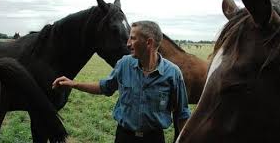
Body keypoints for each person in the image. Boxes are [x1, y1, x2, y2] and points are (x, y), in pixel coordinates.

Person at [52, 20, 191, 143]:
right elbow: (104, 87)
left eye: (132, 38)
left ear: (149, 42)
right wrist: (74, 83)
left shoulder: (173, 73)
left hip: (154, 138)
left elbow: (182, 113)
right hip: (124, 137)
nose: (128, 43)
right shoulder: (124, 64)